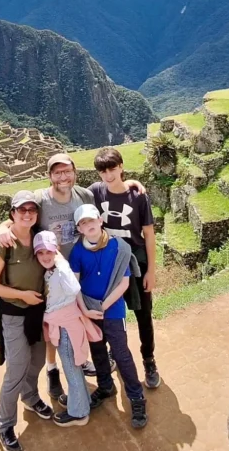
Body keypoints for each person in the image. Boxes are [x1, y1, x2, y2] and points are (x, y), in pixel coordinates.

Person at [0, 152, 147, 404]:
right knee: (53, 323)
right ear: (49, 176)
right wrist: (3, 228)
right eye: (57, 172)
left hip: (81, 269)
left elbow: (110, 189)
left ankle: (81, 362)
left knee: (78, 320)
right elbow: (21, 214)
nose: (63, 177)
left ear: (75, 172)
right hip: (50, 271)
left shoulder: (84, 195)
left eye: (67, 171)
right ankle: (53, 371)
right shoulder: (41, 199)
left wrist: (129, 182)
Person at [0, 190, 55, 451]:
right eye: (21, 210)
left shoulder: (39, 237)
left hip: (38, 312)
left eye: (31, 210)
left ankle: (31, 397)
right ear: (12, 213)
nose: (27, 214)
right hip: (14, 313)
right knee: (16, 369)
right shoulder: (3, 243)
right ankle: (4, 426)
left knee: (37, 360)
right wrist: (22, 295)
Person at [69, 203, 148, 429]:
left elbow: (124, 282)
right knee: (97, 350)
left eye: (91, 220)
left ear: (100, 221)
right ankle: (105, 386)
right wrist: (85, 310)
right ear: (80, 229)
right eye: (83, 223)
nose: (89, 225)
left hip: (112, 310)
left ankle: (136, 397)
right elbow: (74, 285)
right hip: (89, 309)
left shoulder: (118, 247)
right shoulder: (78, 251)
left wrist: (103, 306)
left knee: (121, 353)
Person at [91, 147, 161, 389]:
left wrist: (151, 270)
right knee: (111, 314)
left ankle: (148, 359)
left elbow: (149, 234)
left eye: (112, 169)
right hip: (108, 266)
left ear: (121, 166)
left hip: (136, 263)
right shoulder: (95, 192)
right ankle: (115, 352)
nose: (108, 175)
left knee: (144, 315)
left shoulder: (138, 197)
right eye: (103, 171)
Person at [35, 230, 101, 427]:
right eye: (40, 253)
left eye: (49, 251)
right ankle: (81, 400)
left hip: (66, 327)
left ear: (56, 251)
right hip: (64, 324)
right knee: (73, 367)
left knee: (71, 369)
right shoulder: (52, 270)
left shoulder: (60, 269)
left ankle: (79, 413)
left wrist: (62, 263)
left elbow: (73, 289)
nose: (45, 256)